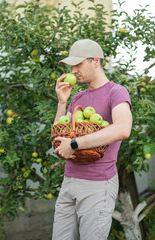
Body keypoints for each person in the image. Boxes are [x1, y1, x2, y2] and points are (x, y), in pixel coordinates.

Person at [52, 39, 132, 240]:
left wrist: (74, 144)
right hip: (70, 180)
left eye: (78, 64)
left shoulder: (116, 92)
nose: (73, 70)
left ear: (95, 61)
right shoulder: (77, 98)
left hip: (98, 184)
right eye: (72, 66)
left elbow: (123, 129)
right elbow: (58, 135)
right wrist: (62, 103)